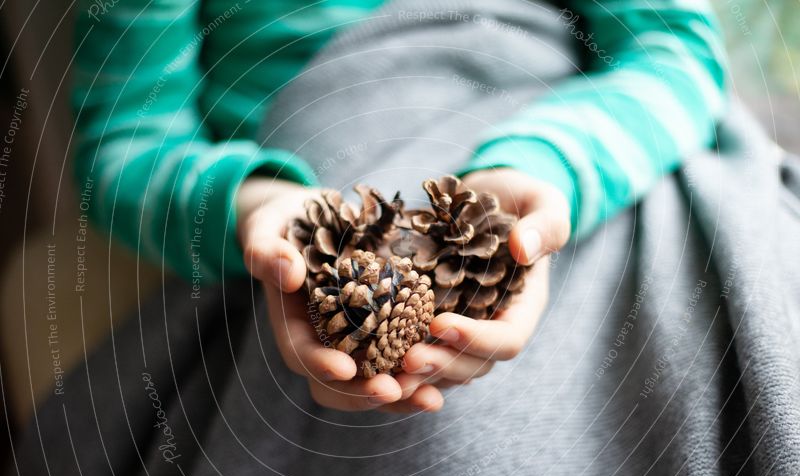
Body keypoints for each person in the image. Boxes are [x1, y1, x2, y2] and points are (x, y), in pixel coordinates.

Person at [72, 0, 726, 414]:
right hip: (305, 208)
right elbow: (127, 142)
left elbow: (676, 52)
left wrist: (542, 164)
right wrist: (252, 201)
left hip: (581, 159)